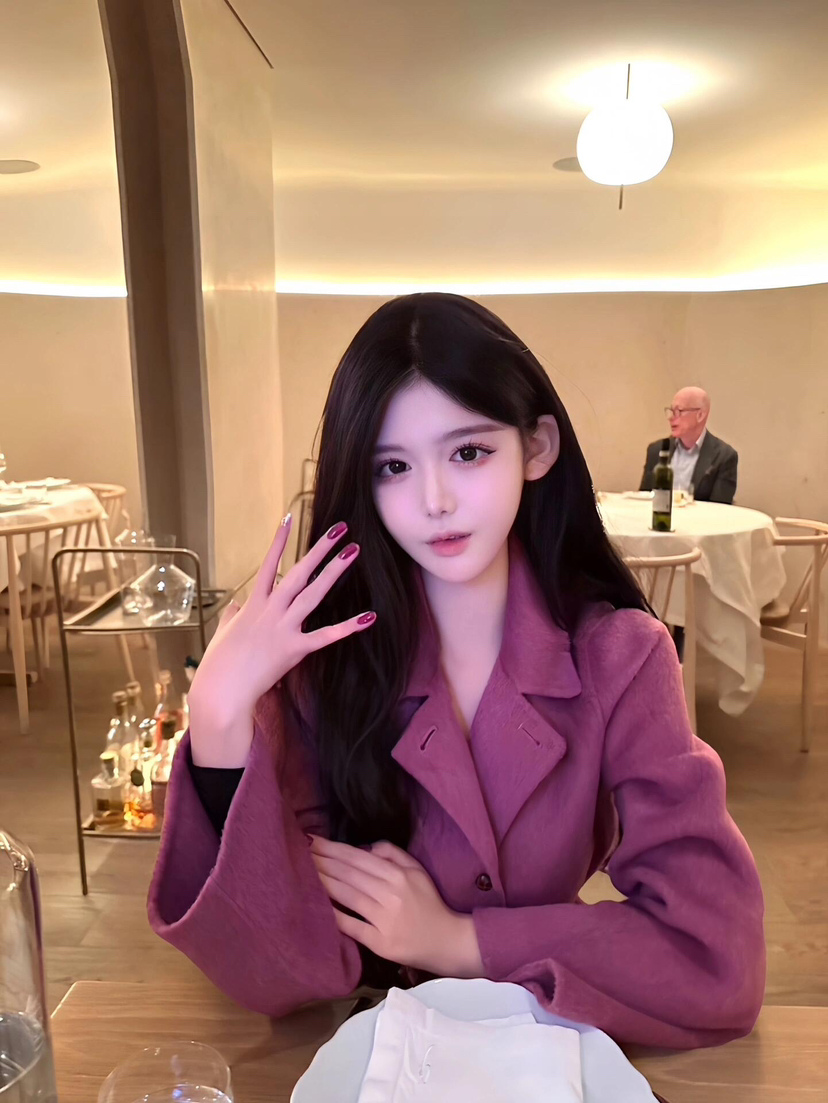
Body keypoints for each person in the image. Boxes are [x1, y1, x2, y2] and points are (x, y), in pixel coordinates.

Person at [148, 294, 764, 1050]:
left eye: (468, 452)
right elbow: (278, 972)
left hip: (549, 1048)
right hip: (372, 1056)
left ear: (536, 447)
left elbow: (714, 957)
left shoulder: (621, 657)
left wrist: (457, 941)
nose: (434, 500)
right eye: (393, 466)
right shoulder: (326, 666)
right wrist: (216, 722)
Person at [640, 387, 738, 503]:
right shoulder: (656, 450)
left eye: (679, 411)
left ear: (700, 415)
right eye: (671, 411)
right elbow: (643, 499)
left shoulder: (724, 456)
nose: (671, 418)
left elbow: (720, 508)